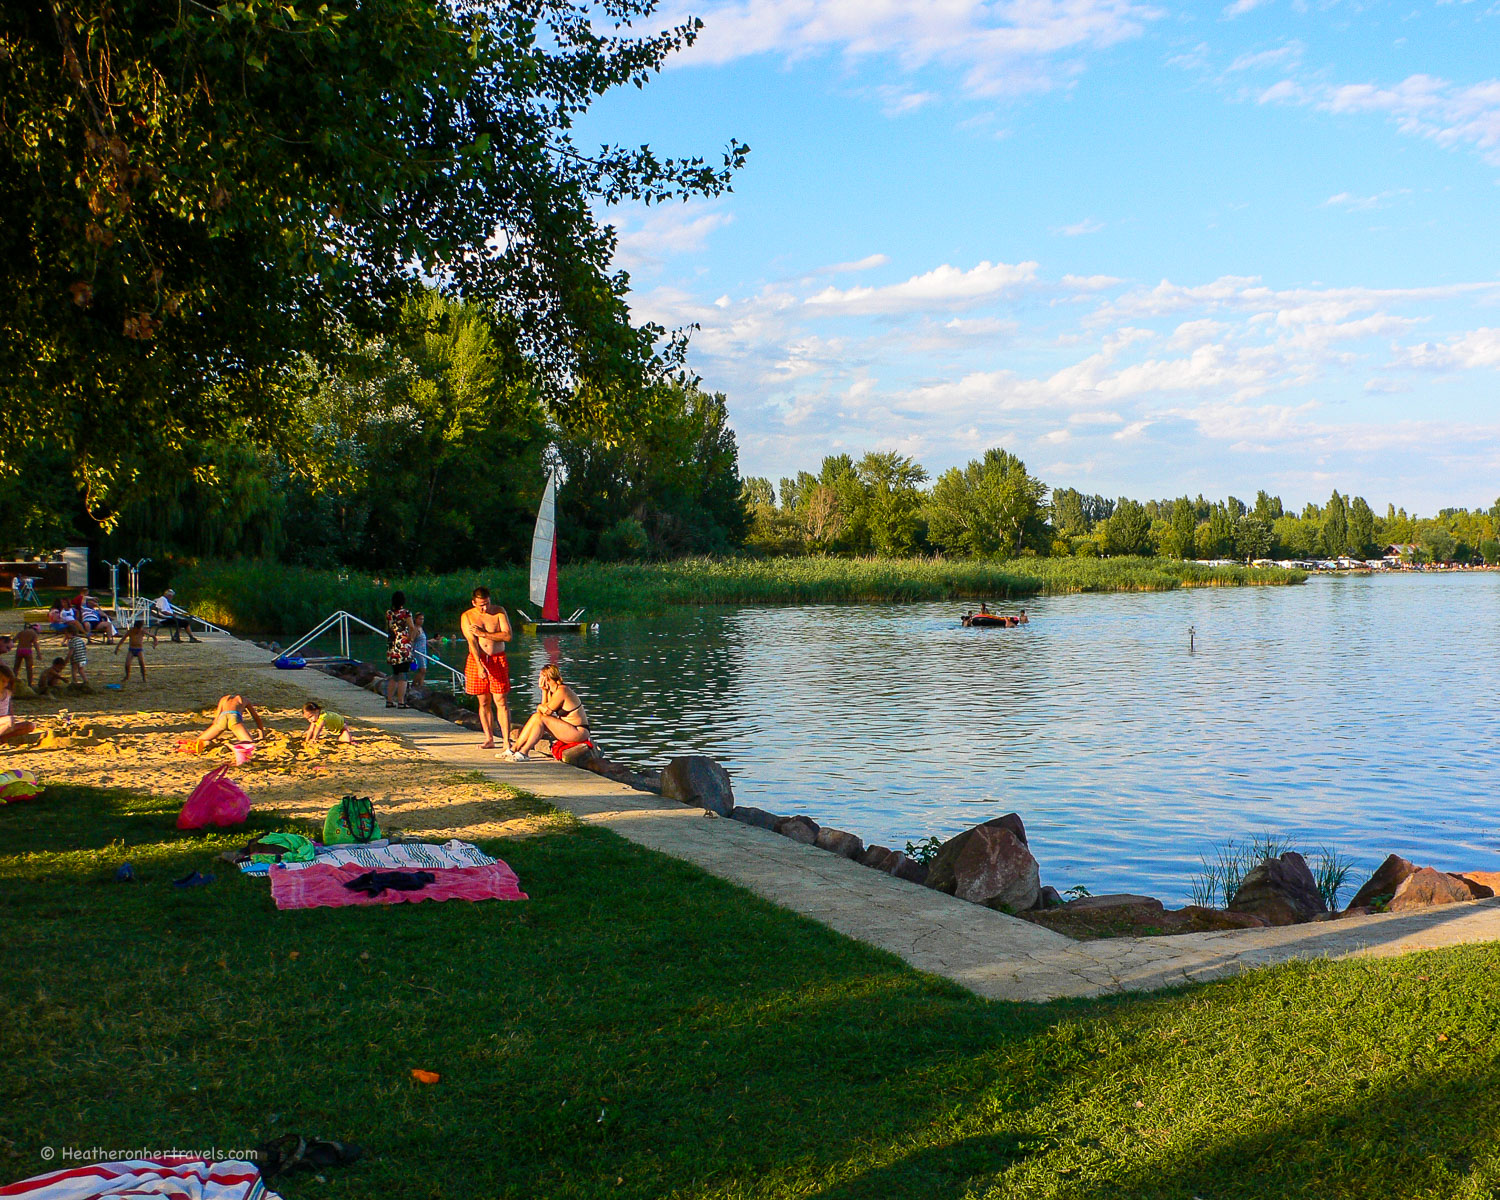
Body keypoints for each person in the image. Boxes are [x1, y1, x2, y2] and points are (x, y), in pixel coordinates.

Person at [460, 586, 515, 756]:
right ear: (474, 603)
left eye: (487, 604)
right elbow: (472, 642)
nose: (485, 608)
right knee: (483, 701)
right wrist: (478, 665)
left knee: (501, 700)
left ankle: (506, 741)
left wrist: (484, 634)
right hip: (478, 659)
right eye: (481, 605)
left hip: (497, 658)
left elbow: (507, 636)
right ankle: (489, 738)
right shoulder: (467, 616)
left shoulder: (499, 612)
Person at [509, 664, 591, 761]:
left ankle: (524, 752)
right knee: (537, 717)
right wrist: (544, 690)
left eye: (540, 676)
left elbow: (547, 711)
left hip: (579, 732)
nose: (539, 679)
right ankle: (514, 749)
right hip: (568, 728)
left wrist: (539, 706)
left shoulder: (562, 690)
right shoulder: (552, 691)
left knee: (541, 718)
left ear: (546, 677)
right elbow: (543, 713)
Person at [192, 693, 265, 751]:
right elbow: (256, 717)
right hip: (234, 717)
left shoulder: (224, 699)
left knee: (200, 740)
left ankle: (207, 743)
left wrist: (215, 733)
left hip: (222, 718)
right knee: (249, 741)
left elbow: (216, 719)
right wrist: (261, 733)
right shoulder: (243, 699)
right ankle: (230, 745)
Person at [384, 591, 415, 708]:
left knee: (395, 674)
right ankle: (401, 701)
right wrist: (411, 638)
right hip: (403, 645)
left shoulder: (389, 613)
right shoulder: (406, 613)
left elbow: (389, 626)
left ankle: (389, 700)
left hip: (392, 645)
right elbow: (412, 627)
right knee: (403, 675)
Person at [0, 664, 35, 744]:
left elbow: (10, 711)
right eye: (3, 681)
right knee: (8, 721)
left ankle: (3, 738)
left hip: (4, 725)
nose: (5, 684)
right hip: (4, 722)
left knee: (30, 726)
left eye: (7, 682)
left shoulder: (7, 693)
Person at [410, 612, 429, 690]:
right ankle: (413, 685)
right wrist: (410, 653)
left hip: (423, 651)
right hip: (418, 652)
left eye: (423, 619)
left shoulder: (421, 628)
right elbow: (411, 641)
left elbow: (424, 640)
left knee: (424, 670)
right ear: (416, 619)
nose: (422, 621)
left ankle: (421, 686)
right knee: (422, 670)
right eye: (420, 619)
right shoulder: (415, 629)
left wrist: (432, 648)